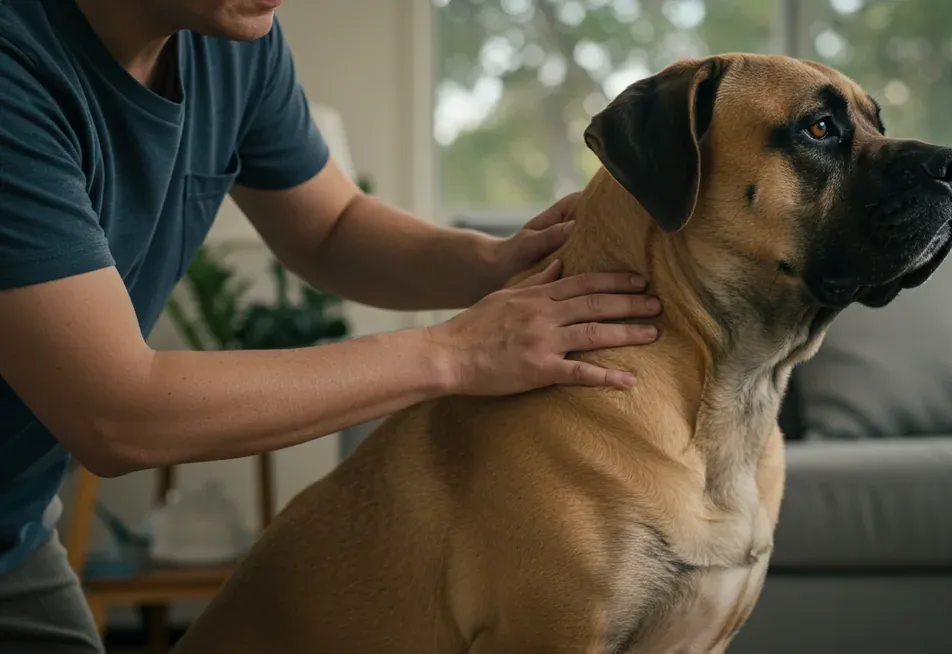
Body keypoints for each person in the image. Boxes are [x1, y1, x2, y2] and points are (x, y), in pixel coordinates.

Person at [0, 0, 663, 649]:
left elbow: (330, 226)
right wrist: (453, 355)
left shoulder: (232, 41)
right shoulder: (15, 69)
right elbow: (119, 412)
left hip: (15, 532)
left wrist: (493, 263)